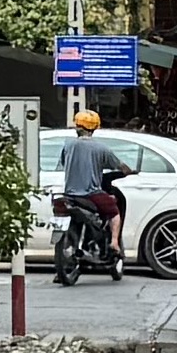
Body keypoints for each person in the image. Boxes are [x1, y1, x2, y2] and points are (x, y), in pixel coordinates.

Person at [53, 102, 122, 264]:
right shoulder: (101, 148)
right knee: (114, 212)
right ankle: (114, 242)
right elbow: (120, 166)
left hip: (69, 194)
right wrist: (129, 171)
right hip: (91, 194)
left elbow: (63, 162)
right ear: (95, 127)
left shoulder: (68, 145)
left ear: (77, 126)